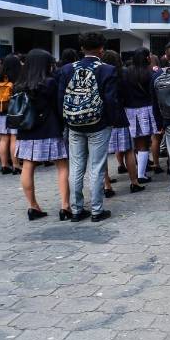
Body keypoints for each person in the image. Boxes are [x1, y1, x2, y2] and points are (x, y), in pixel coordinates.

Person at [56, 32, 118, 222]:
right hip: (99, 124)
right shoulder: (107, 69)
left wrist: (66, 120)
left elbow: (60, 98)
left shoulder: (67, 69)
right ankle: (97, 210)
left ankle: (76, 209)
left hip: (74, 124)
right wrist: (112, 121)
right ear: (101, 49)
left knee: (76, 167)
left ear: (81, 48)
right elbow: (111, 100)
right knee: (97, 167)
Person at [15, 50, 71, 221]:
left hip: (26, 130)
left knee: (28, 166)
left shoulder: (19, 84)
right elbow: (59, 105)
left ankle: (33, 206)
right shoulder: (49, 83)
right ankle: (65, 206)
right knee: (61, 166)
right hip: (50, 127)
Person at [101, 50, 141, 197]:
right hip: (119, 115)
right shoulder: (123, 74)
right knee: (128, 150)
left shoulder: (100, 73)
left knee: (101, 155)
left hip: (102, 117)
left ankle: (107, 185)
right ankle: (134, 182)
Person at [123, 48, 157, 185]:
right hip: (146, 109)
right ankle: (141, 174)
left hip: (129, 110)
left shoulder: (126, 72)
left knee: (136, 143)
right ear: (147, 58)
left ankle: (138, 171)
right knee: (143, 143)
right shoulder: (149, 73)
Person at [0, 54, 21, 175]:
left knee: (3, 139)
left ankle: (4, 165)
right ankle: (16, 165)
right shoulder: (18, 79)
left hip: (1, 111)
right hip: (14, 113)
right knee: (14, 139)